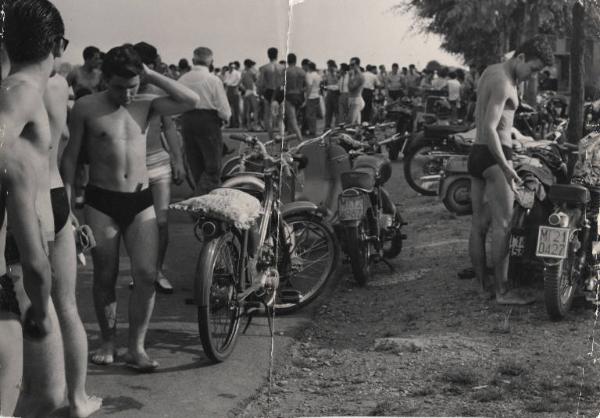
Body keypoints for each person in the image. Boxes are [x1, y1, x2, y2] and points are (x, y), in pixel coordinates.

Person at [62, 44, 199, 371]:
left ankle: (136, 347)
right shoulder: (85, 107)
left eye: (132, 86)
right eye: (119, 87)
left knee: (146, 274)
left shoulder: (148, 104)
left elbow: (191, 101)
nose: (126, 94)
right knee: (104, 276)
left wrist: (150, 74)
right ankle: (108, 342)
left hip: (140, 200)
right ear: (104, 78)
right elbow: (69, 160)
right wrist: (68, 207)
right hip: (101, 201)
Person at [0, 1, 71, 416]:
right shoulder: (22, 90)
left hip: (26, 253)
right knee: (43, 394)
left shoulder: (34, 90)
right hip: (18, 259)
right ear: (58, 45)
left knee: (45, 394)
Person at [43, 28, 104, 418]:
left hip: (25, 201)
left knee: (32, 305)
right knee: (64, 305)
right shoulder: (56, 88)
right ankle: (77, 398)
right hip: (54, 198)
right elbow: (62, 146)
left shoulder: (18, 87)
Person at [468, 35, 553, 304]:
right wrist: (506, 167)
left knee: (478, 225)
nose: (532, 75)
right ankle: (502, 292)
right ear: (520, 58)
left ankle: (482, 287)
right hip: (495, 157)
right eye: (533, 69)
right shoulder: (505, 83)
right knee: (503, 226)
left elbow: (483, 119)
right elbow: (493, 127)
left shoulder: (489, 72)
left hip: (476, 153)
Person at [133, 42, 185, 294]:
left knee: (161, 222)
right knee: (137, 224)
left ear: (152, 66)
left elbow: (169, 127)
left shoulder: (157, 90)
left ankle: (157, 270)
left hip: (158, 163)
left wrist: (178, 160)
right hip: (133, 166)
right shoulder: (121, 89)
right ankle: (141, 270)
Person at [178, 47, 231, 196]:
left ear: (193, 60)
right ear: (211, 62)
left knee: (196, 166)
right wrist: (224, 119)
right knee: (213, 168)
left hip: (187, 120)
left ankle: (200, 196)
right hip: (208, 122)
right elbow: (225, 111)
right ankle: (201, 198)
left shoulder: (183, 79)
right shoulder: (213, 80)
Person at [257, 47, 284, 140]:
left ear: (268, 55)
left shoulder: (264, 68)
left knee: (268, 116)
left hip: (269, 91)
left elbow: (260, 83)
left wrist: (259, 94)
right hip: (280, 91)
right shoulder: (282, 67)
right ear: (277, 55)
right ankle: (281, 135)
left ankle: (271, 137)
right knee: (280, 117)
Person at [284, 53, 305, 141]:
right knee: (290, 119)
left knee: (293, 120)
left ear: (287, 61)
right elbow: (306, 85)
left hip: (290, 95)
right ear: (296, 61)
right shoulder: (301, 71)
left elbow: (282, 85)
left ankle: (301, 141)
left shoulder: (287, 71)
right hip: (299, 95)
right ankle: (287, 142)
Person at [240, 59, 260, 131]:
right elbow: (257, 82)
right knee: (255, 110)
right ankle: (255, 125)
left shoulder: (243, 73)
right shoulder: (253, 72)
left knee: (247, 110)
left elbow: (240, 84)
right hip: (253, 92)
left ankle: (248, 126)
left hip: (247, 92)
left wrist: (245, 90)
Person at [304, 61, 322, 136]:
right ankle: (313, 130)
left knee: (309, 115)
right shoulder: (318, 75)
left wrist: (306, 97)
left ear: (309, 67)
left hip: (311, 96)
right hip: (317, 95)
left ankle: (312, 131)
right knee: (313, 115)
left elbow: (309, 86)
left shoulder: (310, 75)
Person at [348, 57, 365, 125]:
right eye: (350, 64)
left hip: (356, 100)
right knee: (357, 123)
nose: (351, 66)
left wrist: (350, 77)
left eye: (352, 64)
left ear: (357, 65)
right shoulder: (354, 75)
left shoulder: (359, 76)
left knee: (351, 122)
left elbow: (351, 88)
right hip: (352, 99)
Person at [224, 62, 241, 128]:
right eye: (231, 67)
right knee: (229, 108)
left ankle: (237, 123)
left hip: (234, 88)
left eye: (233, 67)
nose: (232, 68)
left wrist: (236, 88)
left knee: (236, 108)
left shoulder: (237, 73)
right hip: (228, 89)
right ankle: (231, 123)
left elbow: (239, 81)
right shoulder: (227, 73)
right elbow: (225, 81)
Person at [323, 59, 339, 129]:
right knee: (328, 111)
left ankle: (337, 126)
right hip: (329, 94)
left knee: (336, 111)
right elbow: (325, 82)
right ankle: (327, 126)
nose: (328, 68)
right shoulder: (328, 74)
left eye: (328, 66)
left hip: (336, 94)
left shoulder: (338, 73)